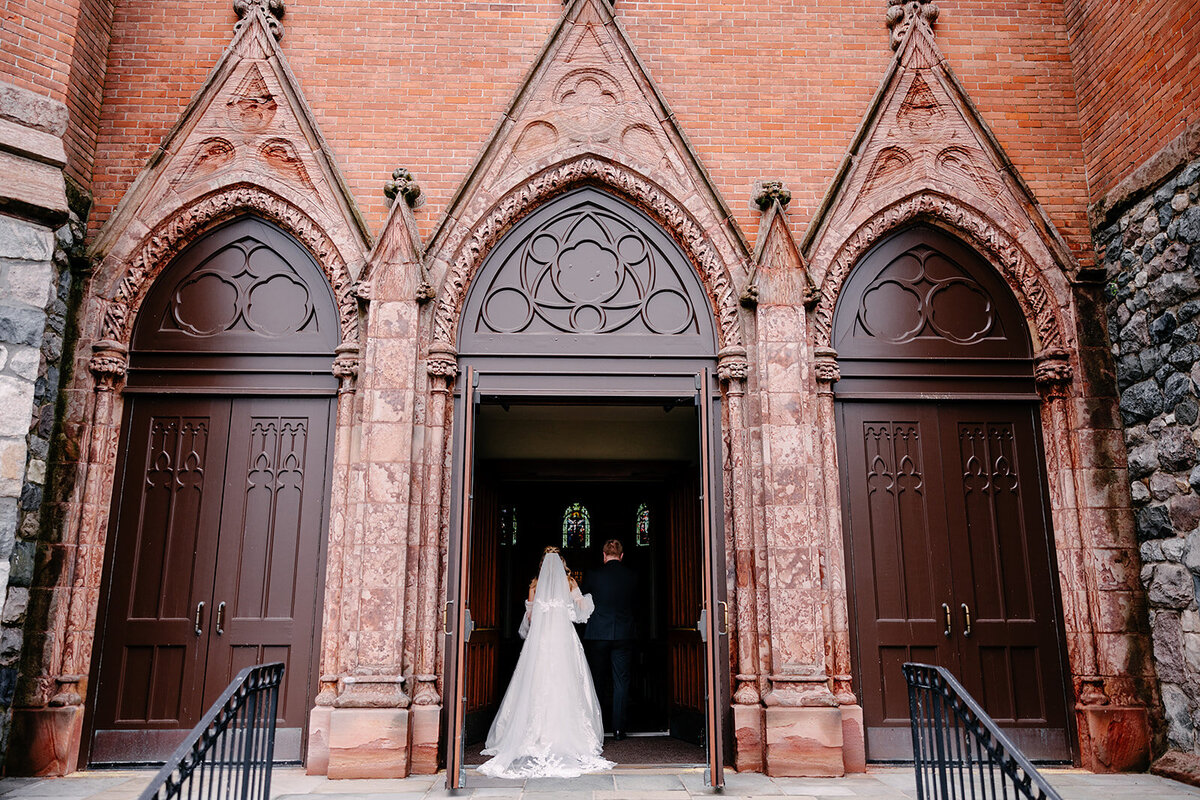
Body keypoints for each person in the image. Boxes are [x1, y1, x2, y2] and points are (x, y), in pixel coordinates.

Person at [478, 547, 615, 779]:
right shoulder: (569, 583)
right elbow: (581, 611)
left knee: (536, 682)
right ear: (561, 564)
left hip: (540, 641)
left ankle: (535, 734)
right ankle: (568, 734)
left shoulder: (535, 585)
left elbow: (530, 618)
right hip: (563, 640)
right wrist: (583, 602)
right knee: (566, 682)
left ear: (542, 565)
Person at [583, 538, 637, 740]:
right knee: (621, 681)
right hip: (623, 633)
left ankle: (596, 729)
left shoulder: (593, 575)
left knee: (597, 680)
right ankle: (618, 730)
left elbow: (584, 602)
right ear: (621, 556)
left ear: (604, 555)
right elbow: (636, 604)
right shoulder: (631, 576)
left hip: (598, 633)